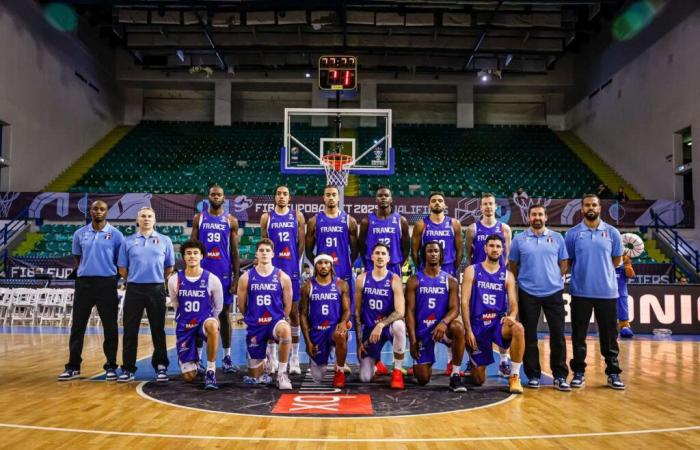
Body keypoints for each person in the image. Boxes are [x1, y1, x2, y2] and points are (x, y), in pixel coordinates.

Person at [58, 201, 124, 381]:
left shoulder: (116, 235)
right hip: (84, 284)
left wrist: (109, 277)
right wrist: (87, 271)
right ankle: (73, 366)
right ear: (90, 211)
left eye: (102, 209)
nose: (98, 211)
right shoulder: (79, 234)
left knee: (110, 327)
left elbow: (120, 261)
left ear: (107, 211)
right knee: (77, 327)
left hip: (107, 283)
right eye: (95, 209)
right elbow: (78, 258)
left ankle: (111, 366)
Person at [565, 194, 625, 390]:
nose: (591, 207)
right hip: (580, 292)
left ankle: (613, 372)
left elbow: (616, 260)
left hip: (607, 292)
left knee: (609, 336)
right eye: (587, 205)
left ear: (600, 208)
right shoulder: (573, 234)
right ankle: (579, 372)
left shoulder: (612, 232)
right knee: (578, 335)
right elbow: (569, 262)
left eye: (594, 205)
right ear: (582, 209)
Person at [508, 205, 570, 391]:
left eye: (540, 214)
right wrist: (524, 280)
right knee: (530, 336)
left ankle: (560, 376)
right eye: (534, 214)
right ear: (529, 217)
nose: (537, 217)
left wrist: (553, 278)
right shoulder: (519, 239)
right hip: (528, 292)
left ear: (546, 217)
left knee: (558, 335)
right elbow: (513, 265)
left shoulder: (558, 238)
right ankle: (533, 375)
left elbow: (564, 263)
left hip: (554, 292)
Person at [461, 235, 524, 394]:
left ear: (503, 250)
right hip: (477, 325)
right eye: (492, 246)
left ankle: (515, 376)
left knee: (518, 328)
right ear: (485, 248)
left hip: (497, 322)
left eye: (498, 246)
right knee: (479, 381)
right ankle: (474, 362)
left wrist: (512, 315)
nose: (495, 249)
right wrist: (468, 330)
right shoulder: (472, 270)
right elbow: (464, 303)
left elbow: (513, 302)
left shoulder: (507, 275)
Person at [117, 206, 175, 383]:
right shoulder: (127, 241)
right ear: (138, 220)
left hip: (156, 288)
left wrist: (155, 279)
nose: (146, 219)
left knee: (158, 329)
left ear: (155, 220)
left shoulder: (165, 240)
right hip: (134, 289)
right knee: (130, 330)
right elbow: (122, 268)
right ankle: (128, 368)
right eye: (143, 216)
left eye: (150, 216)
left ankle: (161, 367)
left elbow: (169, 267)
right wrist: (135, 279)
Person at [405, 241, 467, 392]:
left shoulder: (450, 280)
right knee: (423, 379)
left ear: (441, 255)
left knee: (458, 328)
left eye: (436, 251)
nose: (433, 254)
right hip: (423, 332)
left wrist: (444, 323)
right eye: (429, 251)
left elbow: (455, 309)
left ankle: (455, 374)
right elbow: (409, 312)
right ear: (423, 255)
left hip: (443, 329)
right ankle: (421, 364)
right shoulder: (414, 280)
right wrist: (413, 340)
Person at [191, 184, 240, 374]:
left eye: (219, 194)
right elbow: (191, 247)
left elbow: (235, 252)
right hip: (202, 273)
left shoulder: (230, 220)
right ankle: (199, 358)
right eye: (213, 194)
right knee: (199, 315)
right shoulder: (199, 218)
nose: (216, 197)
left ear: (224, 198)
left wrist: (236, 278)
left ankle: (227, 357)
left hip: (223, 273)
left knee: (224, 315)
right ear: (208, 197)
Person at [465, 192, 513, 377]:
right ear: (480, 207)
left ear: (495, 207)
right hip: (478, 282)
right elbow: (468, 254)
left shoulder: (505, 229)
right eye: (484, 204)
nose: (487, 207)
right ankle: (473, 360)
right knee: (476, 321)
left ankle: (504, 362)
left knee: (502, 318)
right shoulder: (472, 229)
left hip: (498, 282)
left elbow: (506, 256)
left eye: (490, 204)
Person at [236, 238, 294, 390]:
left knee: (286, 329)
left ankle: (282, 374)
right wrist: (250, 318)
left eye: (267, 250)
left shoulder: (282, 276)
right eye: (261, 250)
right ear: (256, 253)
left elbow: (288, 304)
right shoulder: (246, 277)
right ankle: (266, 356)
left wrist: (282, 319)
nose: (264, 253)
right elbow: (241, 305)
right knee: (256, 377)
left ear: (273, 254)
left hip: (275, 321)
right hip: (256, 324)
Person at [260, 185, 306, 375]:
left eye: (285, 193)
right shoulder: (266, 217)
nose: (281, 196)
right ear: (274, 197)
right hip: (272, 271)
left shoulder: (297, 216)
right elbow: (264, 245)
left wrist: (295, 263)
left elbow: (301, 244)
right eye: (278, 193)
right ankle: (271, 357)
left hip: (291, 270)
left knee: (294, 313)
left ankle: (295, 358)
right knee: (271, 313)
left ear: (289, 197)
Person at [168, 240, 223, 390]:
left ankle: (211, 370)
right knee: (189, 378)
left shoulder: (212, 279)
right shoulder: (174, 280)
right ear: (184, 257)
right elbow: (175, 303)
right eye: (188, 253)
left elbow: (218, 306)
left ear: (201, 256)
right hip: (184, 325)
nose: (192, 256)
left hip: (203, 322)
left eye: (195, 253)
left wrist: (209, 319)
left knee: (213, 325)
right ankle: (194, 364)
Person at [355, 243, 406, 389]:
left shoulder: (394, 279)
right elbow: (357, 312)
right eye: (377, 253)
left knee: (400, 325)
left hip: (387, 327)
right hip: (370, 331)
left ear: (389, 258)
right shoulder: (362, 279)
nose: (380, 256)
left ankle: (397, 371)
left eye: (383, 254)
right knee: (365, 378)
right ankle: (376, 363)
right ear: (371, 257)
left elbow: (400, 312)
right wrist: (359, 342)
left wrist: (381, 324)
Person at [299, 254, 351, 388]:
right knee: (317, 378)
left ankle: (339, 370)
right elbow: (303, 315)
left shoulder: (341, 284)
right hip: (317, 332)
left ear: (331, 265)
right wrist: (308, 342)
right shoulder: (308, 286)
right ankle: (326, 353)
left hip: (334, 330)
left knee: (341, 334)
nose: (323, 266)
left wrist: (343, 322)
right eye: (320, 263)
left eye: (326, 263)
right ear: (315, 266)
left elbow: (347, 310)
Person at [359, 186, 410, 277]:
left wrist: (398, 263)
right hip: (372, 265)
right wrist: (367, 262)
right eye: (380, 195)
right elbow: (361, 247)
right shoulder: (366, 221)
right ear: (376, 199)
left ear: (391, 199)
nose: (383, 198)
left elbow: (406, 248)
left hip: (393, 265)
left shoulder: (401, 221)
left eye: (386, 195)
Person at [411, 192, 462, 277]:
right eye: (433, 201)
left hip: (448, 267)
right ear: (429, 205)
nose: (437, 203)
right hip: (427, 268)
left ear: (445, 205)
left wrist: (453, 268)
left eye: (440, 201)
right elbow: (414, 251)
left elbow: (460, 251)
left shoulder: (454, 223)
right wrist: (421, 267)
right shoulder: (421, 224)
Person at [616, 254, 636, 338]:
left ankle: (624, 326)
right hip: (607, 294)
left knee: (623, 309)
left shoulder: (623, 267)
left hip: (621, 294)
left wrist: (627, 264)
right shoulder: (606, 265)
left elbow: (631, 275)